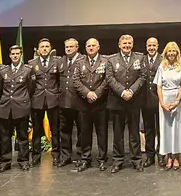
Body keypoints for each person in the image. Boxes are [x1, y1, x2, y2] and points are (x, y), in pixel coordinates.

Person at [105, 34, 147, 172]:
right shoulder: (111, 60)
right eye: (124, 44)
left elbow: (142, 76)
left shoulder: (140, 57)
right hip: (118, 101)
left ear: (132, 44)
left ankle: (136, 160)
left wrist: (132, 91)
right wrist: (123, 92)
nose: (127, 46)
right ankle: (117, 161)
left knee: (134, 133)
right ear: (119, 45)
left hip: (134, 101)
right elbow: (110, 78)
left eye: (129, 43)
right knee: (118, 134)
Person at [72, 38, 109, 172]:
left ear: (98, 47)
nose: (91, 48)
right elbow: (75, 80)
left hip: (101, 104)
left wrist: (96, 93)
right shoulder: (79, 62)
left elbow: (107, 79)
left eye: (93, 45)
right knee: (85, 133)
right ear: (85, 48)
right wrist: (87, 93)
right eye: (88, 46)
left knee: (102, 133)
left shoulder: (105, 61)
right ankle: (85, 159)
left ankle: (102, 160)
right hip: (84, 104)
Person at [0, 45, 34, 172]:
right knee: (5, 137)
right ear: (9, 55)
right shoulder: (3, 70)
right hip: (5, 108)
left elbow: (31, 88)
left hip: (21, 107)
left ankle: (23, 161)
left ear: (21, 55)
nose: (15, 56)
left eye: (18, 53)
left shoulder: (28, 70)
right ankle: (6, 161)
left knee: (22, 137)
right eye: (13, 54)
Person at [154, 41, 181, 170]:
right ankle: (169, 156)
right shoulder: (161, 66)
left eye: (173, 51)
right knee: (166, 129)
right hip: (164, 99)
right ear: (166, 53)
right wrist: (162, 103)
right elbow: (158, 86)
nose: (171, 53)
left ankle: (177, 157)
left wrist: (177, 101)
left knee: (177, 129)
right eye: (169, 51)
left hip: (178, 100)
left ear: (177, 53)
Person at [28, 38, 61, 166]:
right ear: (38, 49)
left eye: (47, 46)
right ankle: (36, 157)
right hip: (37, 100)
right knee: (36, 130)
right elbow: (30, 83)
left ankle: (56, 155)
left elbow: (59, 81)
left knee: (55, 129)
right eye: (42, 46)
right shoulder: (31, 63)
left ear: (50, 48)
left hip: (53, 100)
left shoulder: (57, 62)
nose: (45, 49)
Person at [57, 38, 83, 167]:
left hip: (79, 102)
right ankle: (65, 156)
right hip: (63, 101)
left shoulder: (83, 60)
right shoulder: (61, 61)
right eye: (66, 47)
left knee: (81, 130)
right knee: (64, 130)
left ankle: (81, 156)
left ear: (77, 47)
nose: (68, 49)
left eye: (71, 47)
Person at [142, 37, 164, 167]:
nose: (151, 48)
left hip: (160, 99)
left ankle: (161, 155)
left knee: (161, 128)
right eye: (149, 45)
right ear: (146, 46)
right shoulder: (141, 60)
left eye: (154, 45)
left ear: (158, 46)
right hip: (145, 100)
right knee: (148, 129)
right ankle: (150, 156)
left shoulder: (163, 59)